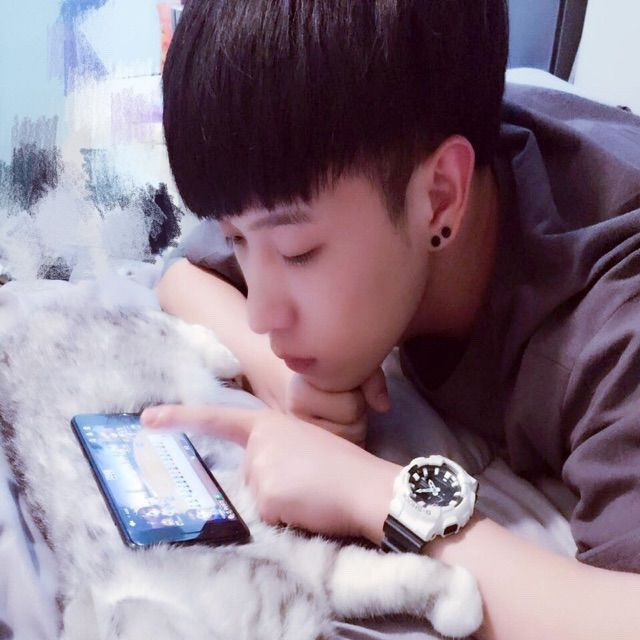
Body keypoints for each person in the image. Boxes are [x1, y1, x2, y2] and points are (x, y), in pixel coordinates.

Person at [140, 1, 640, 638]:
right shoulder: (347, 159)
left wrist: (371, 493)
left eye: (297, 253)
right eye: (238, 238)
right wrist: (286, 379)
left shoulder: (611, 321)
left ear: (440, 198)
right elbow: (180, 277)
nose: (262, 314)